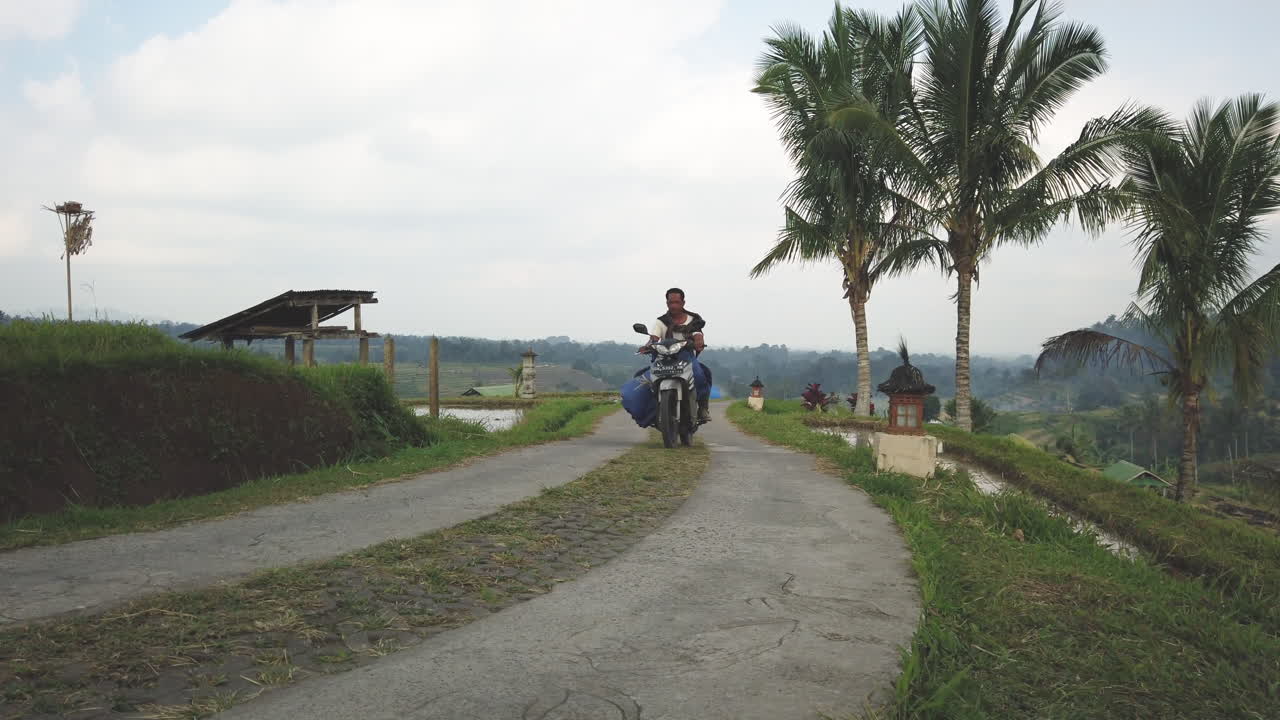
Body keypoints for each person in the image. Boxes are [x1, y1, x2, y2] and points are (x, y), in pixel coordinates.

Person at [640, 287, 712, 423]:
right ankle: (652, 410)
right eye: (670, 302)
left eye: (677, 302)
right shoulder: (661, 321)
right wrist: (648, 345)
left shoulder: (693, 319)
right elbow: (654, 337)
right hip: (664, 358)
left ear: (683, 303)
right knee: (644, 381)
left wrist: (698, 340)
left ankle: (702, 408)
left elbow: (697, 333)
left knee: (701, 375)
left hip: (686, 358)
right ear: (667, 303)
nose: (674, 305)